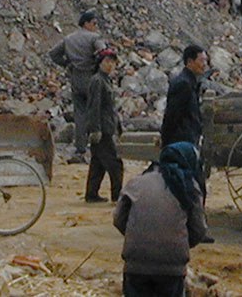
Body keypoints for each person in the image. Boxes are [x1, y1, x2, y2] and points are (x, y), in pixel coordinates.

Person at [113, 142, 208, 297]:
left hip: (135, 265)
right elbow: (199, 229)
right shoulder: (189, 187)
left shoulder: (136, 182)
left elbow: (118, 219)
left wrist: (139, 235)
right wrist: (177, 241)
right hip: (172, 268)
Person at [49, 10, 107, 164]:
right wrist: (98, 65)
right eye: (94, 23)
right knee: (96, 111)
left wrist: (67, 64)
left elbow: (53, 54)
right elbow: (103, 53)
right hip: (92, 78)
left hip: (76, 79)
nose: (96, 26)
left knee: (80, 114)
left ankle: (80, 148)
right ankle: (99, 147)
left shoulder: (69, 39)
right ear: (86, 23)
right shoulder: (95, 38)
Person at [85, 48, 124, 203]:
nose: (110, 65)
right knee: (115, 164)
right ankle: (117, 196)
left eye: (113, 62)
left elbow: (111, 108)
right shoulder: (97, 81)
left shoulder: (106, 80)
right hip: (103, 130)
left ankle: (91, 194)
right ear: (100, 63)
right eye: (107, 61)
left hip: (107, 126)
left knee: (98, 163)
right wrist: (95, 129)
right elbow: (94, 107)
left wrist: (118, 126)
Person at [161, 45, 208, 148]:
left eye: (206, 61)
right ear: (190, 62)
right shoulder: (183, 84)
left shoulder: (192, 83)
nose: (204, 65)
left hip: (188, 140)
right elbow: (172, 116)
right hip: (181, 142)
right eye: (201, 61)